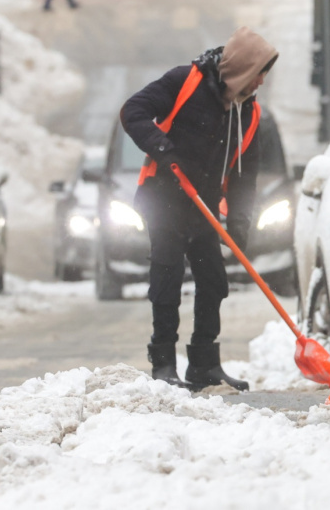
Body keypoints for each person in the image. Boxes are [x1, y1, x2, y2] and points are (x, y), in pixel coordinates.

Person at [120, 27, 279, 392]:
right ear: (241, 69)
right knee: (168, 275)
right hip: (162, 197)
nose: (261, 83)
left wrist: (239, 222)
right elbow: (134, 111)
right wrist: (163, 149)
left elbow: (244, 175)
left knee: (213, 282)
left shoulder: (248, 113)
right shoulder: (185, 81)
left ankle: (204, 365)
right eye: (259, 74)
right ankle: (163, 363)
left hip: (202, 205)